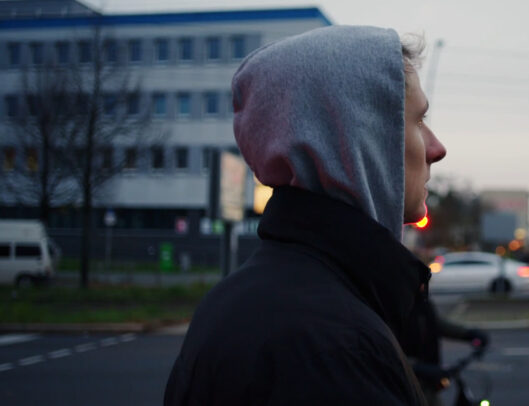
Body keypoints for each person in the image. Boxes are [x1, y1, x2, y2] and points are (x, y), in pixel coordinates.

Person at [164, 25, 446, 405]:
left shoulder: (248, 298)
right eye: (417, 121)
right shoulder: (333, 349)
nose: (437, 148)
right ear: (363, 140)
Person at [402, 299, 490, 406]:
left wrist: (469, 334)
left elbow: (435, 323)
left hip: (428, 383)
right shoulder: (398, 303)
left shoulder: (421, 302)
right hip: (408, 385)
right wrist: (418, 367)